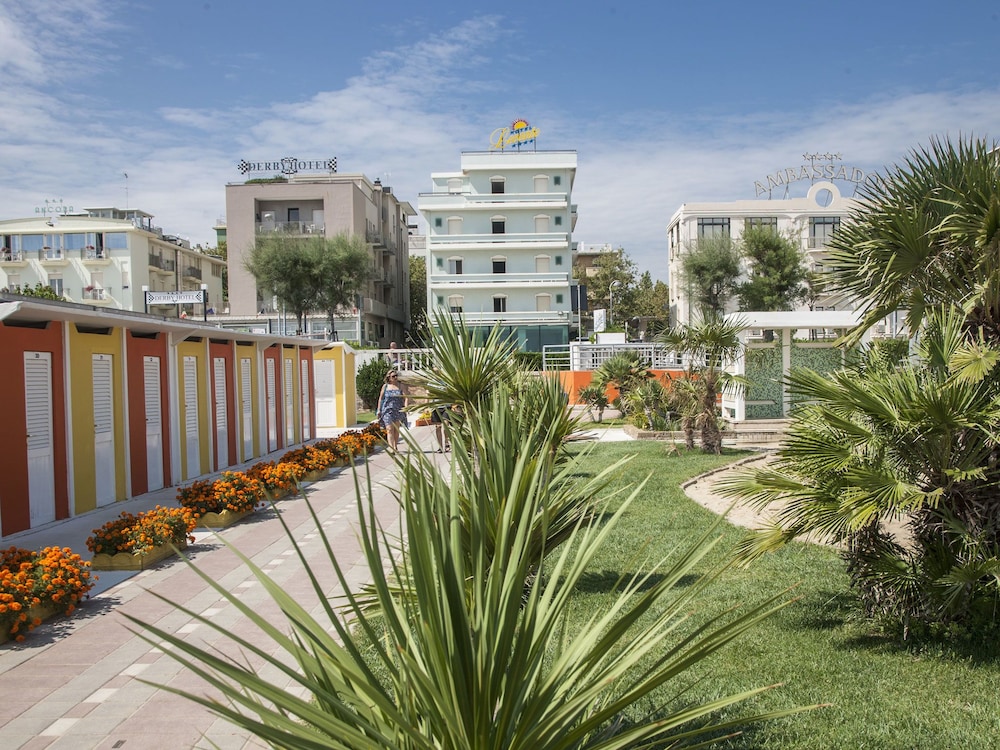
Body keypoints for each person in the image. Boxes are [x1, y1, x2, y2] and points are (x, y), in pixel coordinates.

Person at [376, 370, 408, 451]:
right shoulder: (385, 386)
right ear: (389, 378)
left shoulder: (401, 386)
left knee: (396, 430)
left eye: (396, 375)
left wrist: (406, 408)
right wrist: (379, 410)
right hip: (387, 410)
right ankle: (391, 448)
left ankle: (395, 446)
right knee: (389, 429)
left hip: (398, 410)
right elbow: (381, 399)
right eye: (393, 376)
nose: (395, 377)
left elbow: (406, 397)